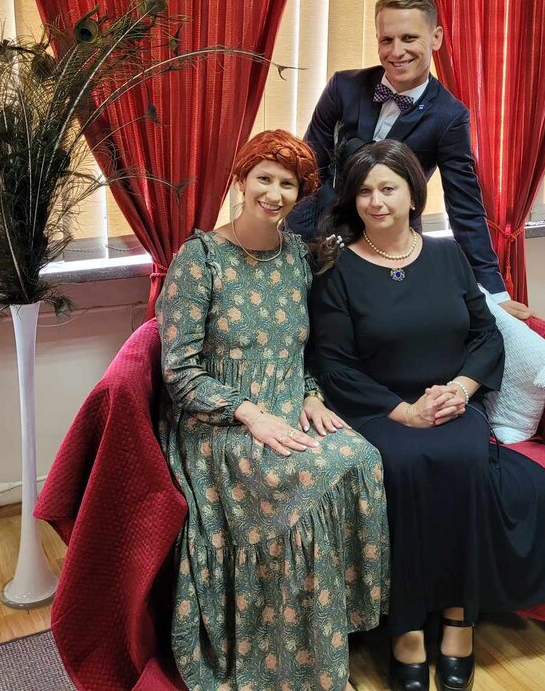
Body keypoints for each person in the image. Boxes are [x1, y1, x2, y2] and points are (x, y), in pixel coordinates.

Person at [307, 140, 545, 691]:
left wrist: (460, 388)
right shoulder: (337, 270)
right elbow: (334, 365)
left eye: (388, 188)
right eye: (364, 191)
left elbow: (485, 335)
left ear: (412, 195)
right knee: (405, 467)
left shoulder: (449, 256)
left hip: (451, 402)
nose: (376, 202)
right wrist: (403, 411)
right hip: (381, 408)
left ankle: (459, 619)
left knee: (465, 460)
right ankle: (406, 630)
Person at [156, 130, 388, 691]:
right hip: (217, 421)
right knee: (305, 473)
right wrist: (249, 414)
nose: (275, 193)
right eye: (264, 178)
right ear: (241, 181)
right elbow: (179, 371)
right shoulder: (199, 259)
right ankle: (300, 666)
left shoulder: (296, 257)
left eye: (289, 184)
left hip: (287, 403)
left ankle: (324, 639)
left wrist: (309, 393)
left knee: (361, 458)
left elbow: (297, 350)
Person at [286, 0, 531, 320]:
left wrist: (494, 291)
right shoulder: (343, 87)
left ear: (436, 38)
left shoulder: (449, 116)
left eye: (409, 38)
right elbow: (308, 171)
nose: (396, 51)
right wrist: (297, 248)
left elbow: (465, 207)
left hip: (390, 252)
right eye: (387, 40)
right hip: (318, 239)